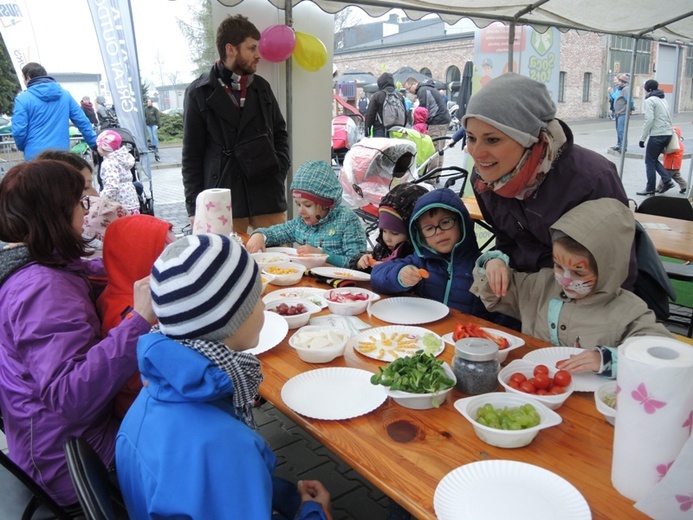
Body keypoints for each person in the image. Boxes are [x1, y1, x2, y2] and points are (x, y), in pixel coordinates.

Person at [116, 233, 331, 519]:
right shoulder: (226, 448)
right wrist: (314, 511)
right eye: (256, 298)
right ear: (229, 320)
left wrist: (282, 494)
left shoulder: (154, 391)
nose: (264, 306)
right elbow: (223, 479)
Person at [0, 160, 155, 506]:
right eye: (81, 199)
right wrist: (139, 321)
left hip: (55, 437)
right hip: (71, 459)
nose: (87, 211)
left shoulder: (38, 262)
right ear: (55, 212)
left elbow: (90, 270)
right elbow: (71, 395)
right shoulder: (41, 288)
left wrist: (144, 254)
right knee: (193, 436)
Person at [460, 73, 635, 287]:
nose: (477, 152)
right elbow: (508, 241)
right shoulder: (484, 181)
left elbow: (617, 270)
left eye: (492, 140)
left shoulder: (591, 179)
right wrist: (497, 259)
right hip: (527, 297)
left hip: (588, 305)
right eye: (470, 138)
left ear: (531, 138)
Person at [471, 198, 672, 378]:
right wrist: (492, 264)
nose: (565, 280)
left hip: (590, 408)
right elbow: (494, 294)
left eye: (578, 272)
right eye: (558, 266)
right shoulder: (541, 286)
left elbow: (660, 353)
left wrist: (607, 360)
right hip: (534, 389)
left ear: (608, 269)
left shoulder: (628, 310)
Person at [182, 14, 290, 235]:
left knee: (280, 262)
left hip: (267, 191)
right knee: (227, 265)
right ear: (230, 49)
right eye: (251, 48)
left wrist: (280, 167)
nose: (258, 55)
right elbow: (191, 155)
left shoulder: (262, 87)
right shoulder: (198, 92)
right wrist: (194, 208)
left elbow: (280, 132)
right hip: (223, 197)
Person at [370, 188, 495, 320]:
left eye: (445, 222)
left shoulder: (483, 266)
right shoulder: (420, 261)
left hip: (465, 336)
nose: (439, 232)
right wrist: (400, 275)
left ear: (462, 222)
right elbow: (377, 276)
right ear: (421, 236)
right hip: (423, 333)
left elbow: (502, 318)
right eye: (429, 228)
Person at [97, 214, 174, 419]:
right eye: (166, 256)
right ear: (140, 260)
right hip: (148, 410)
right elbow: (136, 377)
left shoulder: (117, 289)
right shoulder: (133, 311)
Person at [245, 160, 367, 268]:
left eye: (307, 205)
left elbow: (357, 262)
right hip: (311, 281)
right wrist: (261, 235)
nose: (301, 211)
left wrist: (322, 254)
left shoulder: (347, 220)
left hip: (341, 285)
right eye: (298, 204)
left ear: (326, 203)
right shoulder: (301, 223)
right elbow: (278, 232)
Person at [11, 62, 97, 160]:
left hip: (35, 156)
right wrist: (94, 144)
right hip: (61, 154)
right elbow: (82, 121)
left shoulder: (23, 99)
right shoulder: (65, 95)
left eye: (23, 78)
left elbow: (18, 131)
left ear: (28, 77)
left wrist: (24, 147)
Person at [353, 182, 429, 270]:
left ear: (413, 231)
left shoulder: (418, 257)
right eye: (384, 231)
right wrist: (361, 262)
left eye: (395, 233)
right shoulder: (382, 249)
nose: (387, 238)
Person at [403, 77, 450, 173]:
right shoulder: (427, 88)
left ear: (414, 84)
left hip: (437, 121)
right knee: (439, 149)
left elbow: (423, 111)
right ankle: (436, 174)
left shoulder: (422, 91)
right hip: (443, 120)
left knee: (433, 149)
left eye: (409, 88)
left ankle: (431, 177)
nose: (409, 92)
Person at [637, 79, 675, 196]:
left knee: (649, 161)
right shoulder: (663, 99)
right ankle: (667, 180)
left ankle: (650, 188)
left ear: (648, 89)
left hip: (657, 134)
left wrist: (642, 138)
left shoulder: (650, 101)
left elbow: (649, 120)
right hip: (667, 133)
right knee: (653, 159)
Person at [96, 129, 140, 214]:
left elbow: (112, 187)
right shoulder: (123, 158)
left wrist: (100, 201)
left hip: (118, 205)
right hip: (131, 202)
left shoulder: (109, 162)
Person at [364, 72, 407, 138]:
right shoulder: (399, 96)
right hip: (397, 131)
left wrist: (367, 132)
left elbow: (370, 114)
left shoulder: (377, 96)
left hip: (381, 130)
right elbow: (405, 114)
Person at [657, 126, 687, 194]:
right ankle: (684, 186)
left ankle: (659, 188)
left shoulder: (675, 144)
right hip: (675, 165)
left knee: (665, 176)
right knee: (677, 176)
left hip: (671, 164)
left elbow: (670, 151)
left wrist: (662, 150)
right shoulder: (679, 143)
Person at [610, 74, 631, 153]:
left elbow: (629, 100)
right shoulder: (621, 89)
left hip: (623, 113)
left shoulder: (626, 89)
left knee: (622, 131)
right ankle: (619, 145)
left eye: (618, 81)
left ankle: (623, 147)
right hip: (618, 113)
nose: (617, 82)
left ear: (623, 82)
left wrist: (629, 109)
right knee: (619, 130)